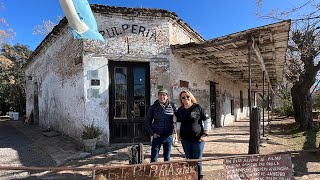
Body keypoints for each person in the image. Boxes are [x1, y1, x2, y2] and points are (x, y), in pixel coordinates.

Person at [176, 90, 210, 180]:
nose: (186, 98)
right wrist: (178, 135)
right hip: (185, 139)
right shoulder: (180, 110)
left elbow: (206, 120)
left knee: (197, 160)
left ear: (191, 97)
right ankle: (192, 177)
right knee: (189, 159)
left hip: (198, 139)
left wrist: (205, 134)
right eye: (183, 97)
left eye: (187, 96)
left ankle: (199, 177)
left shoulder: (197, 107)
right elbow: (178, 123)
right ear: (181, 99)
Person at [146, 88, 177, 162]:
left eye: (164, 95)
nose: (162, 97)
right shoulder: (153, 107)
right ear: (158, 96)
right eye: (160, 95)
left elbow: (179, 118)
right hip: (157, 136)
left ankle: (166, 173)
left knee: (167, 158)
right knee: (154, 158)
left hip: (168, 136)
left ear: (167, 96)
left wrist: (176, 133)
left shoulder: (172, 106)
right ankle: (153, 173)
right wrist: (152, 133)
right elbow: (148, 121)